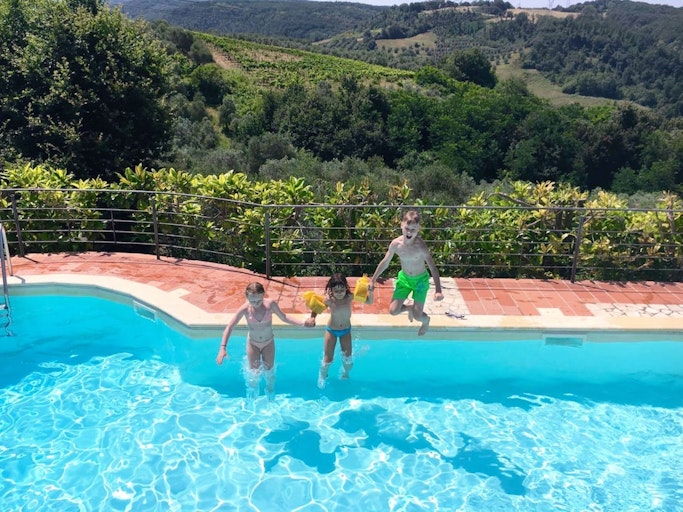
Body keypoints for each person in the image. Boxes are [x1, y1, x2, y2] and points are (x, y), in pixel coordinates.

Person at [216, 282, 315, 399]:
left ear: (263, 295)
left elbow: (284, 317)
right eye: (252, 301)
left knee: (269, 373)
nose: (256, 304)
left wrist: (303, 323)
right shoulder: (245, 309)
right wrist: (222, 348)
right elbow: (230, 327)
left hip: (268, 343)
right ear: (247, 298)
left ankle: (270, 392)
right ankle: (252, 398)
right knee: (253, 375)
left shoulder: (270, 304)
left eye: (259, 300)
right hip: (253, 344)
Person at [369, 209, 443, 336]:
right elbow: (385, 262)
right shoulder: (396, 244)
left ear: (418, 229)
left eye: (413, 229)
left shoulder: (421, 247)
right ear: (401, 226)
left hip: (420, 281)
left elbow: (433, 268)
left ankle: (426, 321)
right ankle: (409, 308)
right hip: (404, 279)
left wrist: (438, 290)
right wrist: (373, 280)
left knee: (418, 316)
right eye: (407, 228)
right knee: (393, 311)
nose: (409, 232)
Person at [309, 273, 373, 389]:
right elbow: (316, 308)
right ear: (331, 290)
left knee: (348, 360)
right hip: (331, 331)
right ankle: (322, 375)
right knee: (328, 359)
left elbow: (369, 302)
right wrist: (312, 318)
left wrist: (370, 292)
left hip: (346, 331)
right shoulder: (329, 300)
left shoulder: (349, 297)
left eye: (342, 290)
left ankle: (345, 373)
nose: (339, 293)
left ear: (346, 288)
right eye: (336, 291)